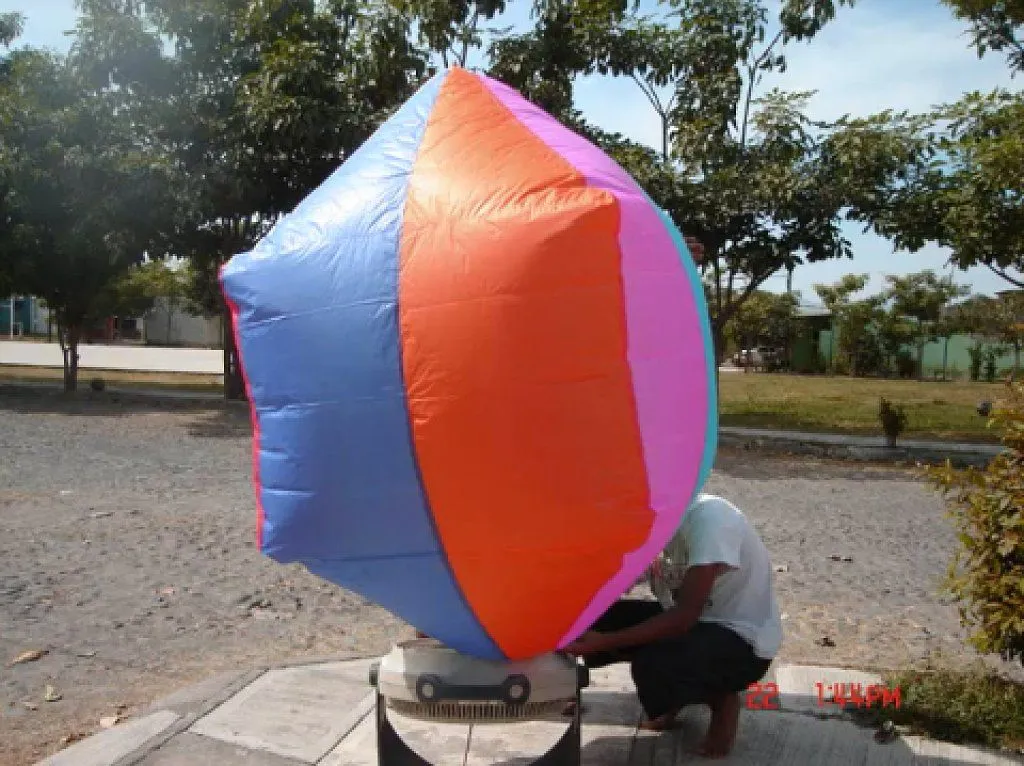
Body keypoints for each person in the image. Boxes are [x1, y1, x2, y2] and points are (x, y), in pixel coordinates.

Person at [564, 493, 782, 759]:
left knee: (652, 663)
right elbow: (613, 582)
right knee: (597, 618)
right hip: (694, 624)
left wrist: (605, 642)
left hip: (740, 641)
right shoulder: (648, 525)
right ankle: (673, 698)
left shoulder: (710, 519)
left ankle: (721, 698)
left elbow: (684, 617)